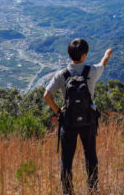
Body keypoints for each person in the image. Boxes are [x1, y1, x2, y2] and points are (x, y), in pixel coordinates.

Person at [44, 38, 113, 195]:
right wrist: (107, 54)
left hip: (68, 122)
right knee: (91, 156)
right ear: (84, 55)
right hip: (88, 120)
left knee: (66, 160)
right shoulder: (92, 71)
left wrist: (58, 111)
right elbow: (103, 63)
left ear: (70, 55)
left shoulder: (61, 74)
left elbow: (46, 95)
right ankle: (93, 189)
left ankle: (68, 191)